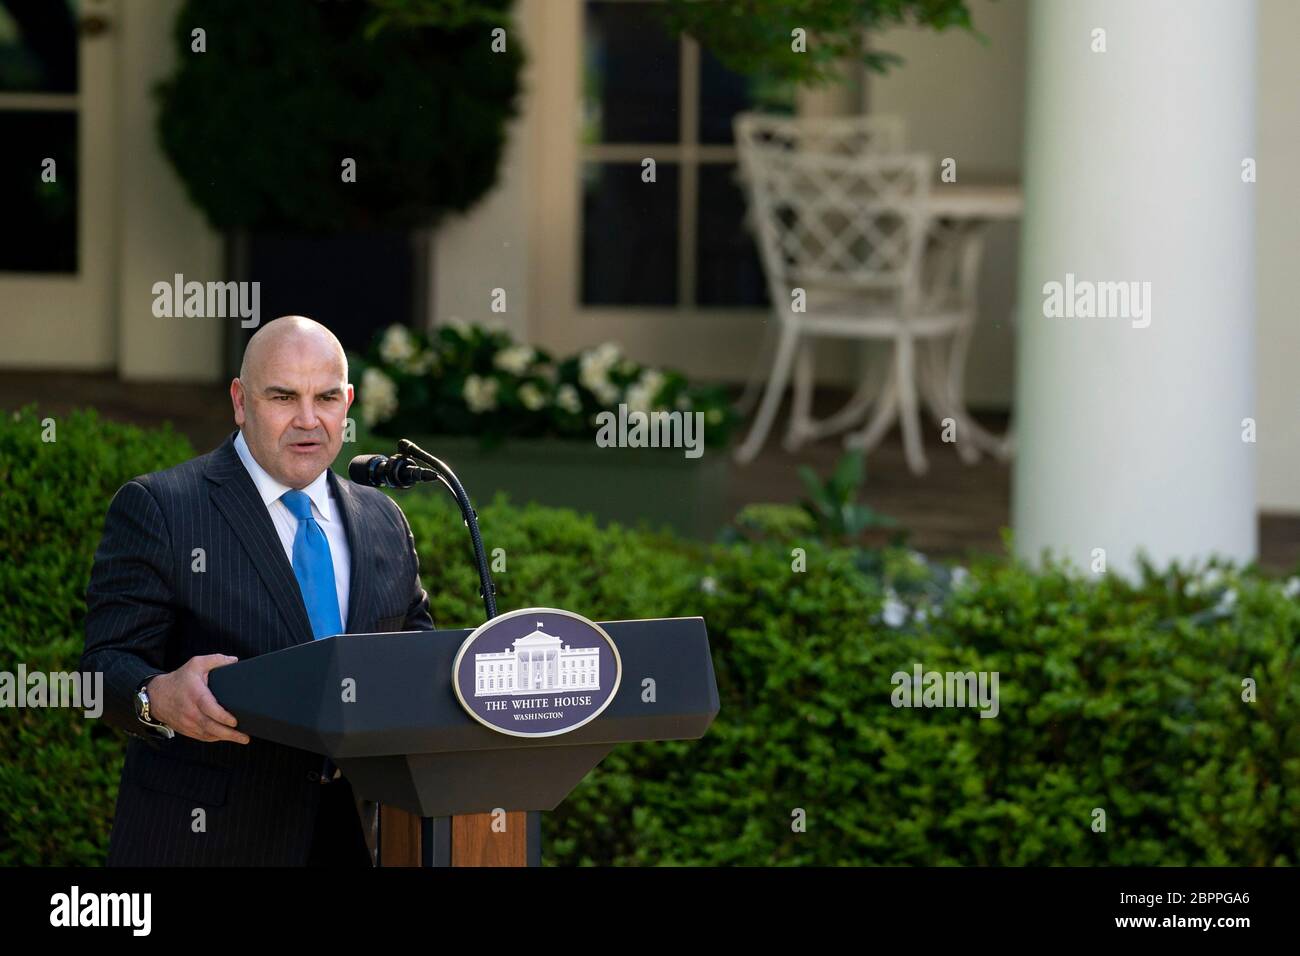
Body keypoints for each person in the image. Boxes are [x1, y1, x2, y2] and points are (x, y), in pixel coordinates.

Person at [81, 315, 433, 866]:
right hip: (209, 842)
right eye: (283, 397)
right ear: (241, 402)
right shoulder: (163, 508)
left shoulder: (383, 518)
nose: (309, 420)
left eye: (327, 398)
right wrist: (156, 698)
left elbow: (418, 658)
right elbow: (101, 669)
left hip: (360, 837)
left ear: (350, 403)